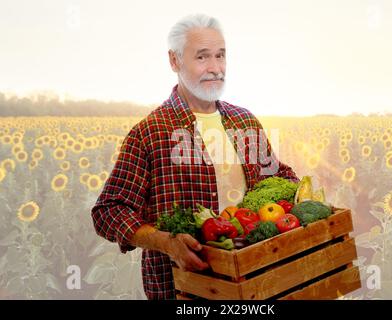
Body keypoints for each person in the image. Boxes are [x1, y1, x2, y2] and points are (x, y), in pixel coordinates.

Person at [91, 13, 299, 300]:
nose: (215, 68)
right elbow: (108, 211)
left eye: (220, 56)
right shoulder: (150, 133)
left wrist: (304, 196)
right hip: (182, 287)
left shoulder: (244, 121)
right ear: (175, 61)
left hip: (254, 281)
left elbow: (278, 177)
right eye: (202, 57)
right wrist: (166, 242)